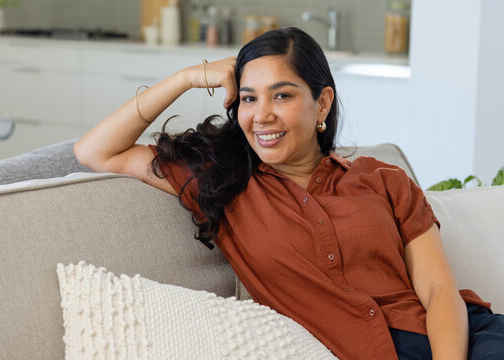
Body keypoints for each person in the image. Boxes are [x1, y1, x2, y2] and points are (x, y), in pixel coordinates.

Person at [73, 27, 503, 360]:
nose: (262, 115)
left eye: (281, 95)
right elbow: (94, 151)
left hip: (463, 343)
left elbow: (438, 289)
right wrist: (187, 77)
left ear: (322, 104)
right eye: (248, 98)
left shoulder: (382, 179)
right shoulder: (220, 181)